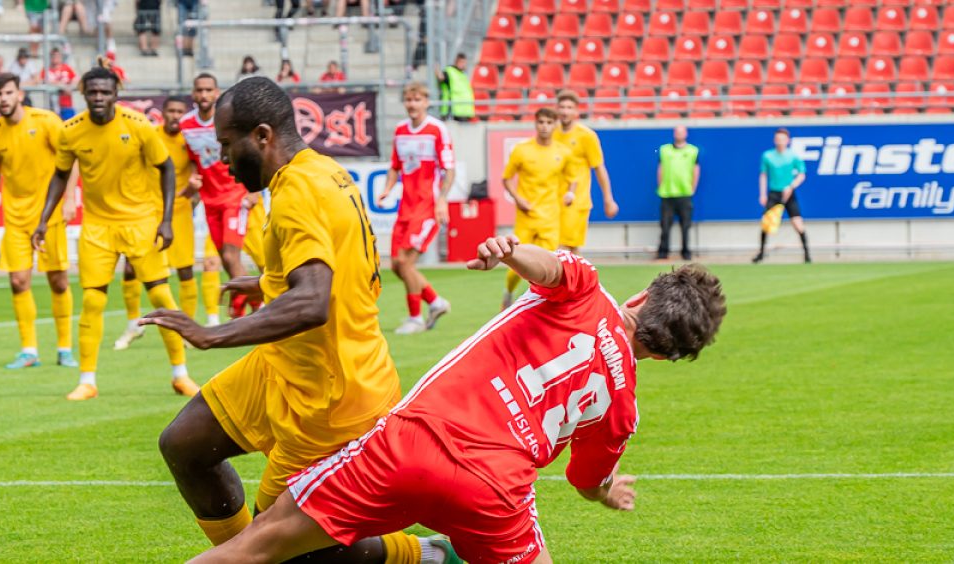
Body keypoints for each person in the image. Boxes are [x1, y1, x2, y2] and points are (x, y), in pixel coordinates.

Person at [189, 237, 728, 564]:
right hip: (495, 495)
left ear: (641, 296)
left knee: (259, 546)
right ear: (666, 357)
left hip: (410, 445)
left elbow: (547, 267)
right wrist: (607, 491)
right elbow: (585, 481)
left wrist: (508, 251)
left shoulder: (587, 288)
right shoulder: (623, 408)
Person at [140, 76, 433, 563]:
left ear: (262, 136)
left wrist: (212, 335)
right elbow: (344, 263)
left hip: (330, 392)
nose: (223, 162)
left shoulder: (298, 192)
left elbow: (311, 302)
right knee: (186, 444)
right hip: (283, 366)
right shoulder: (322, 171)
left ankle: (420, 555)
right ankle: (243, 551)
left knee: (287, 549)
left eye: (228, 146)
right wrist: (271, 281)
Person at [31, 66, 198, 401]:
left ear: (116, 93)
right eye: (92, 92)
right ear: (83, 93)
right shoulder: (70, 131)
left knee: (162, 298)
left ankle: (181, 374)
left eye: (105, 92)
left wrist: (165, 220)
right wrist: (43, 219)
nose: (98, 98)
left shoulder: (138, 126)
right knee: (92, 300)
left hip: (140, 222)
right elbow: (60, 175)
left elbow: (165, 168)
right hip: (97, 227)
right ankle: (87, 381)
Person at [0, 73, 78, 370]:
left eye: (8, 93)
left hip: (50, 215)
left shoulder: (46, 121)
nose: (3, 99)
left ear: (20, 93)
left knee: (58, 282)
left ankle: (64, 348)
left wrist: (69, 198)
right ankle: (29, 350)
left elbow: (69, 161)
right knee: (18, 281)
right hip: (16, 218)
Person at [112, 97, 203, 351]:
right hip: (146, 212)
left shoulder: (189, 140)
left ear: (185, 115)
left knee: (185, 270)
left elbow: (199, 170)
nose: (175, 115)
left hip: (179, 211)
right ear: (162, 113)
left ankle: (188, 328)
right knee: (131, 268)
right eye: (171, 111)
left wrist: (194, 188)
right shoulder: (149, 134)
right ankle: (133, 324)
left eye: (179, 112)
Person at [178, 73, 268, 320]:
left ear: (217, 92)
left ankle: (257, 311)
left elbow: (253, 151)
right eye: (200, 90)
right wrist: (194, 178)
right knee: (226, 261)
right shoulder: (186, 125)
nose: (204, 95)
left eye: (209, 90)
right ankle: (244, 306)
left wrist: (254, 189)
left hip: (235, 196)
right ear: (193, 94)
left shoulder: (228, 120)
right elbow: (192, 160)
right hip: (211, 201)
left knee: (235, 256)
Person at [377, 81, 453, 335]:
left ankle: (415, 318)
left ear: (426, 102)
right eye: (409, 100)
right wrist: (388, 188)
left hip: (427, 207)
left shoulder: (436, 130)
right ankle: (435, 302)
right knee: (397, 266)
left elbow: (448, 169)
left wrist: (442, 200)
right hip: (405, 208)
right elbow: (395, 166)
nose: (412, 104)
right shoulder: (400, 130)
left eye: (417, 99)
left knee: (405, 263)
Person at [501, 108, 579, 309]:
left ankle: (539, 305)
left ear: (555, 125)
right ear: (535, 123)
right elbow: (507, 178)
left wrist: (570, 193)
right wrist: (518, 198)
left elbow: (573, 179)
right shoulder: (522, 150)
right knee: (517, 264)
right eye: (541, 122)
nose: (544, 126)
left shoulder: (563, 152)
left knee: (547, 266)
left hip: (551, 218)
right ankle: (508, 291)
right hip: (526, 217)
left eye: (548, 122)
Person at [553, 90, 618, 254]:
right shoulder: (551, 133)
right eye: (562, 107)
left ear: (576, 111)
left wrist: (608, 199)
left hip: (576, 201)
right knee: (561, 247)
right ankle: (575, 279)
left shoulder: (587, 136)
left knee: (565, 247)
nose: (565, 111)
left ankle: (574, 279)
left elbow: (599, 167)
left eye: (569, 107)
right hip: (553, 200)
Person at [753, 127, 810, 264]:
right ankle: (761, 254)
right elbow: (763, 175)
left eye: (782, 139)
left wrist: (791, 186)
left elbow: (802, 175)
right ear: (774, 140)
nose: (780, 142)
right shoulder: (767, 156)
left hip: (789, 193)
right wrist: (762, 194)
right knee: (766, 223)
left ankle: (807, 254)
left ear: (788, 140)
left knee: (797, 223)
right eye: (778, 139)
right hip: (774, 193)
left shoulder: (793, 156)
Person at [656, 126, 699, 261]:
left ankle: (686, 252)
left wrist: (693, 188)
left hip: (684, 193)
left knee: (685, 225)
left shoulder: (693, 151)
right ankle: (663, 252)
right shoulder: (664, 150)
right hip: (667, 193)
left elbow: (696, 169)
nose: (679, 134)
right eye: (677, 132)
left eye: (681, 132)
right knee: (665, 225)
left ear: (685, 134)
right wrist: (661, 185)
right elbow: (660, 168)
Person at [436, 53, 474, 122]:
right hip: (453, 111)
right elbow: (441, 78)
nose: (463, 64)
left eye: (464, 62)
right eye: (461, 62)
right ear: (456, 61)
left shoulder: (462, 74)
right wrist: (436, 69)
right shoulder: (449, 71)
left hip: (464, 110)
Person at [43, 48, 77, 120]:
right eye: (53, 56)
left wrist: (69, 86)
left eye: (57, 56)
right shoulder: (46, 69)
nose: (55, 58)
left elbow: (76, 79)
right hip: (51, 107)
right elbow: (39, 80)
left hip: (67, 105)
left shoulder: (67, 68)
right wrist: (60, 85)